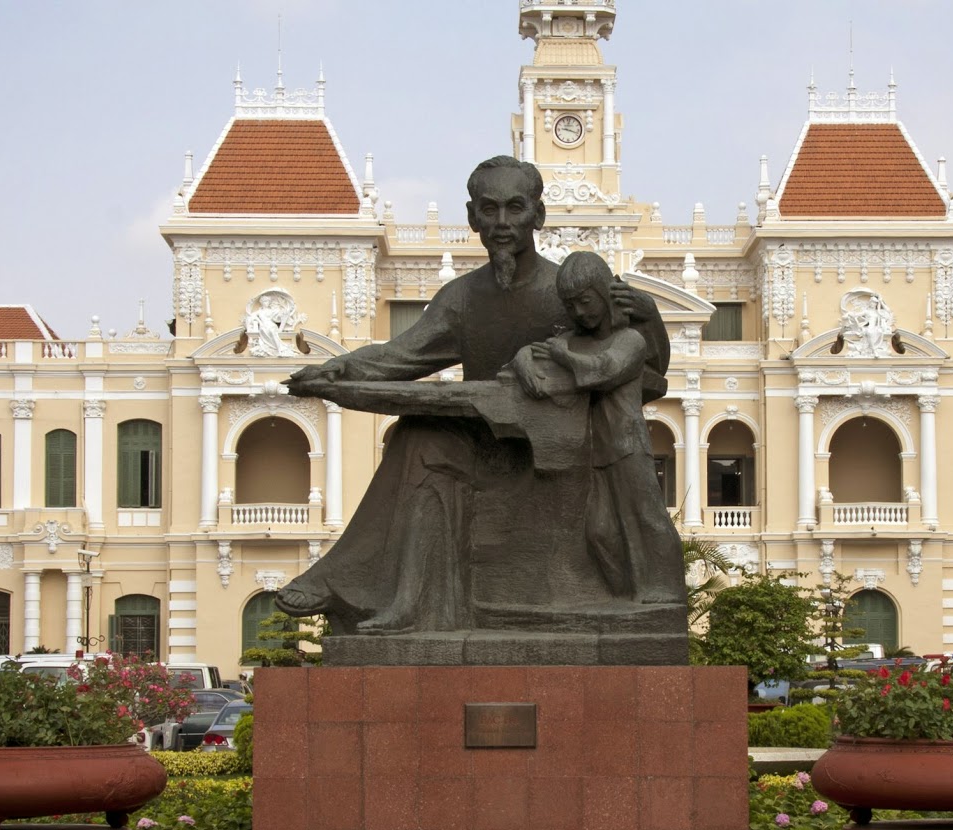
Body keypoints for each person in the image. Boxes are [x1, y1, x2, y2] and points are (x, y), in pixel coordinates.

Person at [278, 156, 668, 635]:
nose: (502, 223)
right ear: (472, 217)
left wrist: (649, 317)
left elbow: (643, 369)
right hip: (483, 441)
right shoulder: (461, 297)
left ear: (538, 215)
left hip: (554, 453)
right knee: (418, 437)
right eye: (489, 209)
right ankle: (403, 601)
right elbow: (402, 355)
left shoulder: (570, 291)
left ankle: (364, 587)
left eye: (515, 208)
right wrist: (340, 368)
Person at [514, 251, 683, 604]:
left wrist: (562, 356)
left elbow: (602, 371)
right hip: (592, 450)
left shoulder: (630, 340)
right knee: (599, 531)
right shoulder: (576, 341)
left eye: (585, 301)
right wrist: (522, 360)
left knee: (648, 518)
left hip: (627, 446)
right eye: (570, 305)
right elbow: (536, 351)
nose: (579, 312)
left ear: (605, 294)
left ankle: (665, 593)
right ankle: (624, 596)